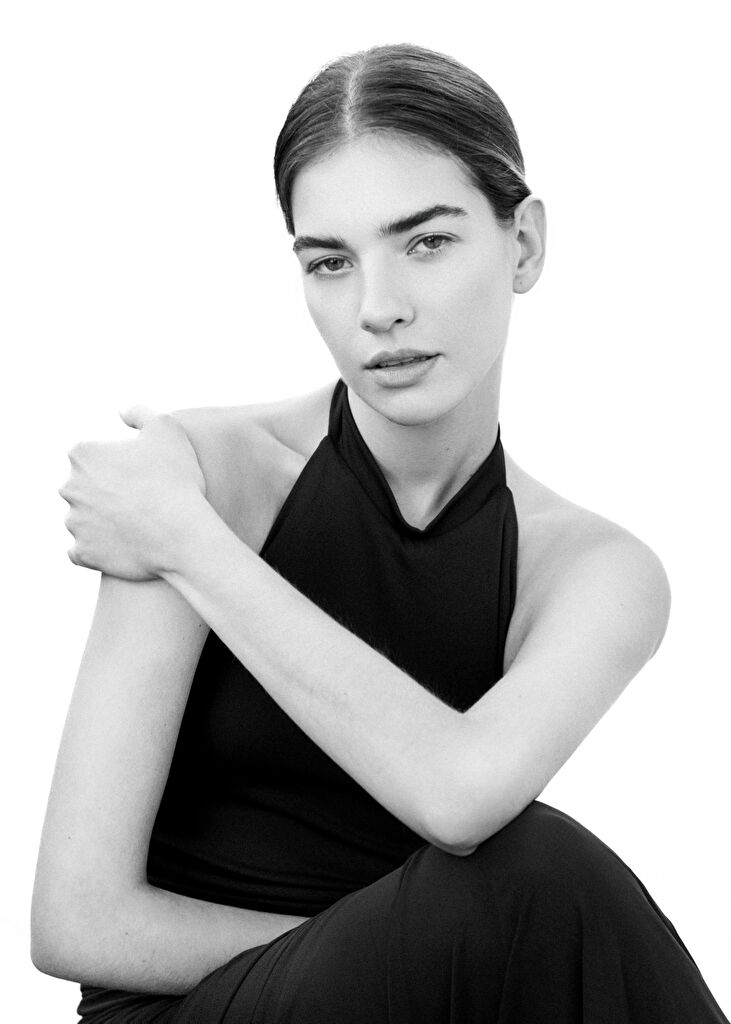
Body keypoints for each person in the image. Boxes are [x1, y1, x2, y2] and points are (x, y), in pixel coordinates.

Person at [31, 42, 729, 1023]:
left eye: (426, 242)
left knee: (527, 866)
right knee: (539, 873)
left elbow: (460, 798)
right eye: (330, 262)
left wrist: (193, 550)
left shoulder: (593, 571)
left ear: (523, 245)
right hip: (194, 1009)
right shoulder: (200, 478)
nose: (378, 309)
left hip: (448, 1003)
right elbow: (74, 922)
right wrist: (439, 961)